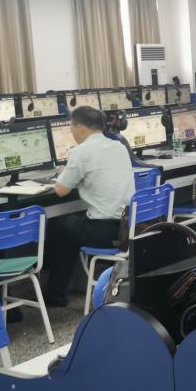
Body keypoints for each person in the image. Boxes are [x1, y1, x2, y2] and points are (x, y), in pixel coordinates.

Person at [44, 107, 135, 306]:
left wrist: (65, 173)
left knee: (61, 225)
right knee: (72, 224)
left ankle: (55, 291)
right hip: (128, 227)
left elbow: (60, 190)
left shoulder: (81, 152)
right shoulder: (119, 146)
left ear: (80, 127)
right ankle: (57, 290)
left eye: (71, 127)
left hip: (105, 232)